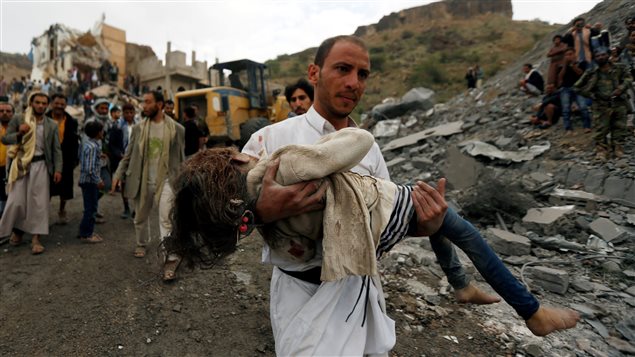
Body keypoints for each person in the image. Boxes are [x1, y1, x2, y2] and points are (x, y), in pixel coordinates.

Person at [240, 35, 576, 354]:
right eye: (343, 69)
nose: (354, 82)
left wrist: (427, 227)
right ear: (314, 72)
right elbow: (220, 227)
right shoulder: (267, 141)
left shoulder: (368, 149)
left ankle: (518, 306)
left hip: (359, 289)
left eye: (363, 74)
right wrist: (261, 212)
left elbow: (384, 225)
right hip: (300, 291)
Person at [166, 130, 580, 355]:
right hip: (388, 212)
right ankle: (531, 312)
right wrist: (324, 147)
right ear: (236, 160)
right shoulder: (285, 164)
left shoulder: (258, 210)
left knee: (439, 228)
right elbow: (361, 139)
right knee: (467, 234)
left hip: (366, 237)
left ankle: (461, 286)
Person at [111, 91, 185, 281]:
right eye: (143, 102)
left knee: (166, 220)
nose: (144, 106)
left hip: (166, 180)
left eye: (148, 102)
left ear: (159, 105)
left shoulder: (177, 129)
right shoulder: (138, 129)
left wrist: (184, 182)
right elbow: (128, 155)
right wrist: (118, 174)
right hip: (143, 180)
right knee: (140, 216)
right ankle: (141, 243)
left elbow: (181, 159)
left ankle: (171, 259)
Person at [0, 92, 62, 254]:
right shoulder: (19, 119)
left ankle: (36, 239)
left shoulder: (51, 124)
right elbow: (5, 139)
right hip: (21, 165)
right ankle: (14, 232)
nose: (41, 105)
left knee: (39, 203)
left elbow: (57, 150)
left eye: (44, 103)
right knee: (16, 201)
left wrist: (58, 169)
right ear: (31, 103)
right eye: (37, 102)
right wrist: (19, 133)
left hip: (41, 166)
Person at [575, 47, 633, 160]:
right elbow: (577, 87)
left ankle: (618, 148)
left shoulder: (619, 67)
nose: (601, 57)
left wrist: (621, 88)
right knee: (601, 129)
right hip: (601, 105)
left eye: (603, 55)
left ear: (608, 55)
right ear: (594, 58)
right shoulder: (591, 72)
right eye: (598, 56)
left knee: (620, 127)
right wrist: (591, 95)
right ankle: (601, 151)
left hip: (618, 102)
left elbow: (629, 78)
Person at [47, 93, 80, 224]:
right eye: (57, 103)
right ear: (51, 104)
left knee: (65, 189)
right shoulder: (44, 118)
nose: (59, 106)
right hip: (47, 160)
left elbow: (74, 141)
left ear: (66, 105)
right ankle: (43, 214)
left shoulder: (72, 121)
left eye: (62, 104)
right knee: (46, 188)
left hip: (66, 160)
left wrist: (75, 160)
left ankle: (62, 210)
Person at [78, 120, 105, 243]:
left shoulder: (87, 144)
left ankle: (85, 231)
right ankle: (87, 234)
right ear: (98, 132)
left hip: (85, 180)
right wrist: (98, 180)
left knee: (89, 207)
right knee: (91, 208)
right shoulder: (93, 147)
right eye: (101, 130)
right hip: (90, 182)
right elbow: (89, 168)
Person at [558, 47, 591, 134]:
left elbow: (581, 74)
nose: (569, 56)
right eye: (566, 55)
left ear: (575, 54)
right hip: (565, 88)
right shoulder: (562, 66)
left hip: (578, 88)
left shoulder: (582, 63)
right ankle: (568, 128)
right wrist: (565, 66)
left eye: (570, 54)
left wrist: (573, 65)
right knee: (566, 109)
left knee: (583, 107)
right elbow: (560, 78)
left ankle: (587, 126)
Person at [116, 103, 138, 219]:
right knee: (124, 183)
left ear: (134, 113)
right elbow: (113, 143)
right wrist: (119, 153)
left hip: (136, 159)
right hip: (123, 158)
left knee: (136, 183)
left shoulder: (139, 125)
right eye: (126, 112)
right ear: (123, 113)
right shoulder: (118, 126)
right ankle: (126, 207)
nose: (129, 115)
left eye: (131, 112)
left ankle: (136, 208)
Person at [0, 102, 14, 216]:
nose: (5, 113)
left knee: (8, 192)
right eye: (1, 111)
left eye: (8, 111)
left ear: (13, 114)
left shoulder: (18, 129)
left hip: (11, 167)